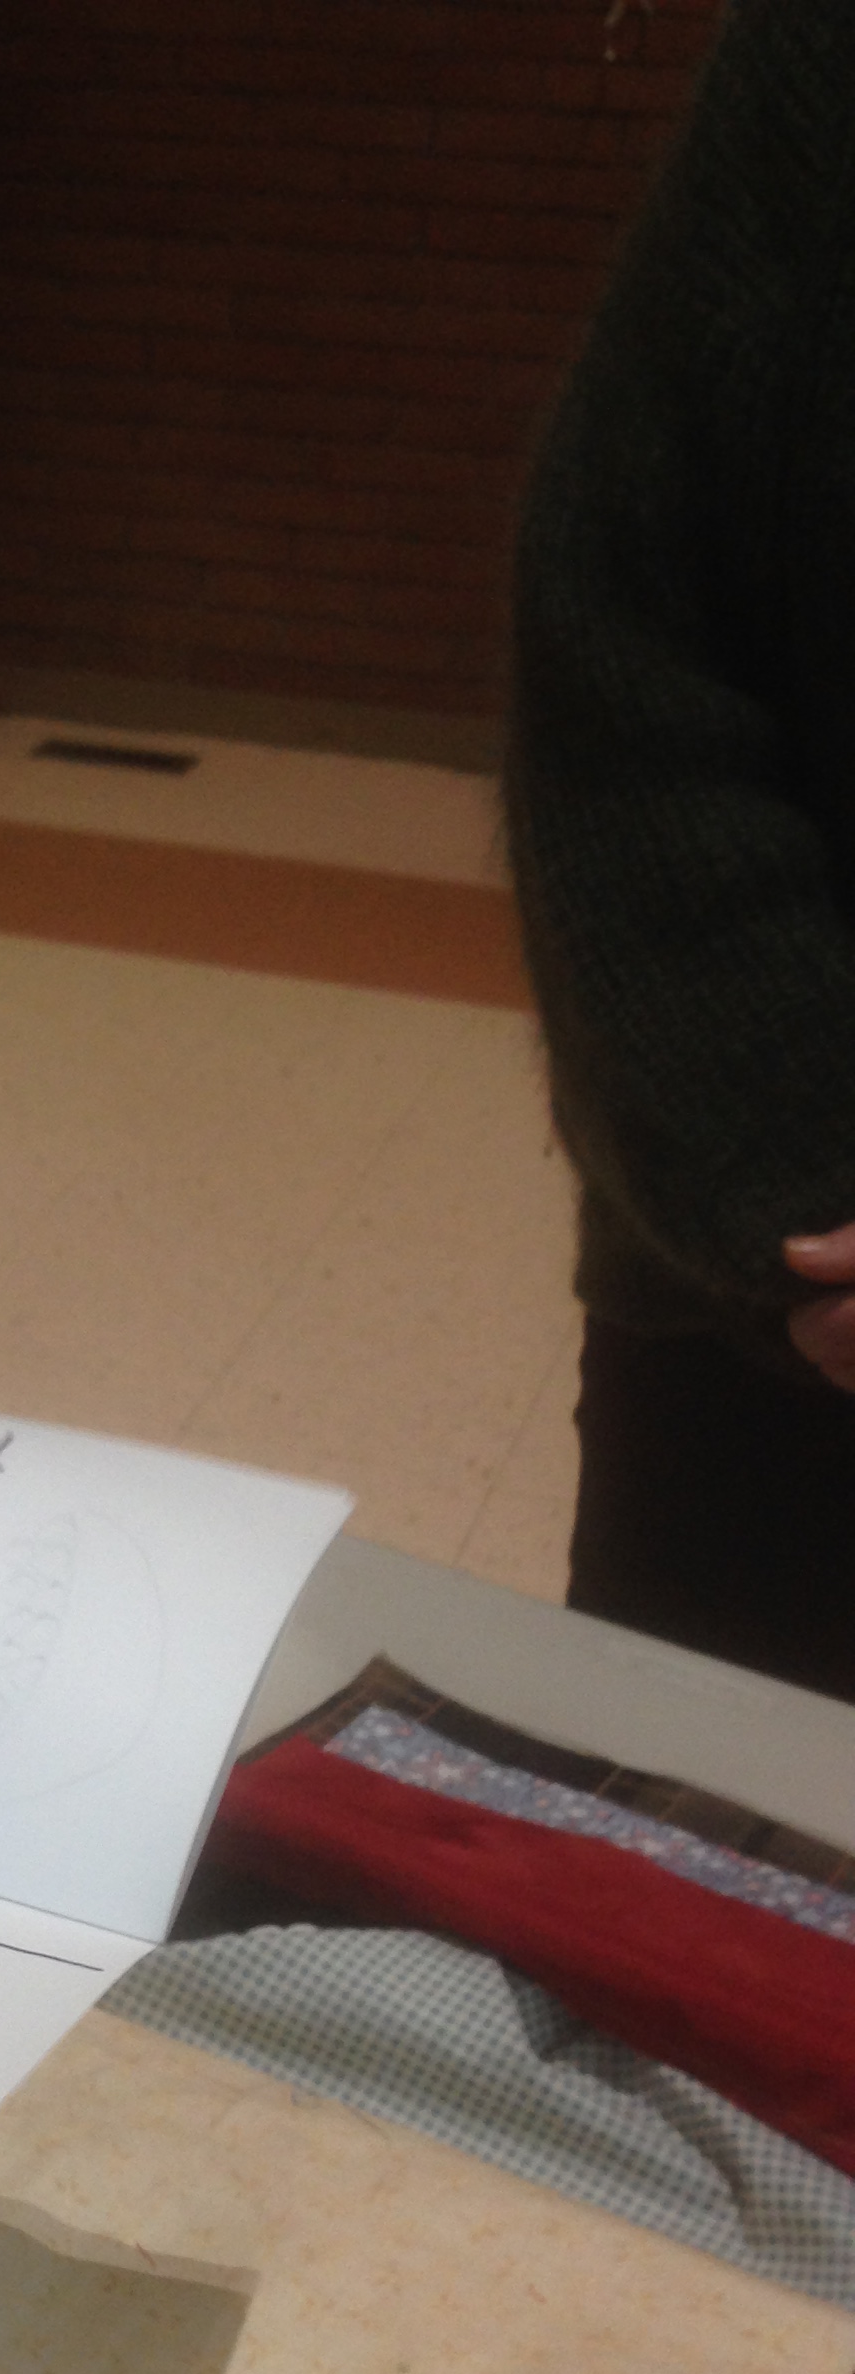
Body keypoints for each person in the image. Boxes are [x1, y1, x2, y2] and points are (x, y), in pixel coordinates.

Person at [504, 0, 855, 1706]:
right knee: (673, 1828)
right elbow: (624, 656)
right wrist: (801, 1174)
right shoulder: (821, 70)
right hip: (777, 1337)